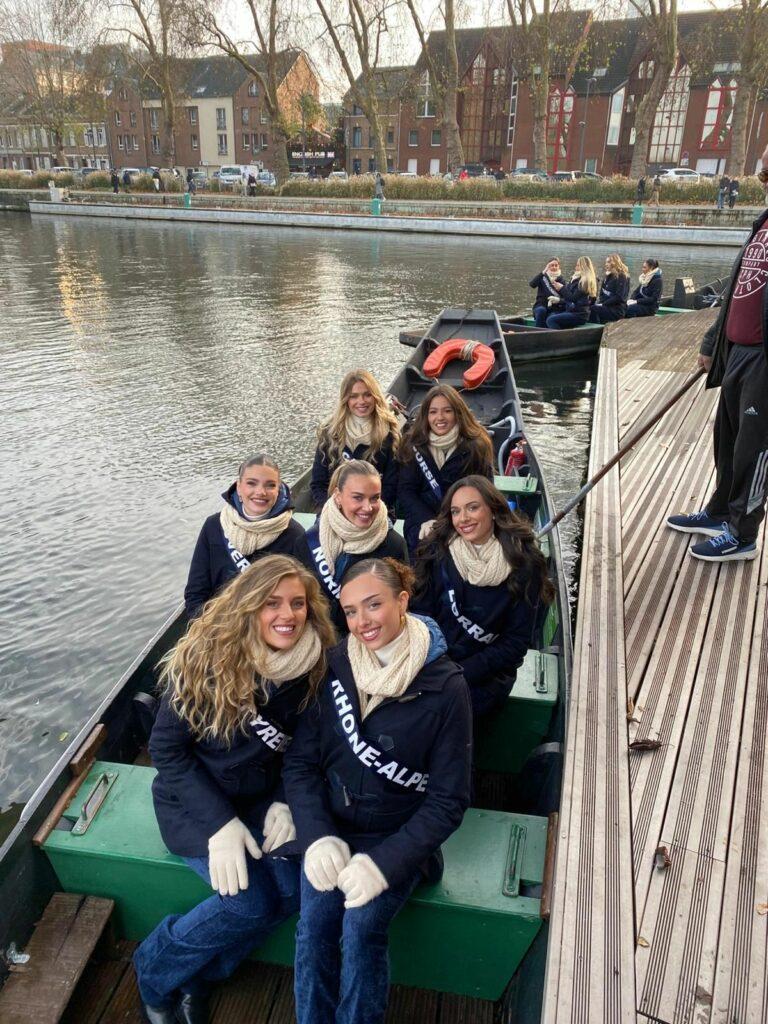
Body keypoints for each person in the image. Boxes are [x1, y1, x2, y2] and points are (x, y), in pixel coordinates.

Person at [133, 555, 337, 1024]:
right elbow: (168, 751)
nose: (287, 615)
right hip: (195, 803)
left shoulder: (316, 666)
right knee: (248, 904)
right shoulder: (206, 658)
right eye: (272, 603)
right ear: (248, 607)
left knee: (291, 892)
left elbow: (305, 752)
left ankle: (200, 975)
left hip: (261, 802)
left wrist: (285, 801)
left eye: (297, 603)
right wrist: (219, 825)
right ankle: (155, 970)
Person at [283, 557, 472, 1024]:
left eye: (374, 605)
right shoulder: (333, 664)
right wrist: (317, 835)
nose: (362, 622)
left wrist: (385, 864)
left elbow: (448, 802)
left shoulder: (447, 688)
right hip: (332, 827)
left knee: (363, 925)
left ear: (403, 601)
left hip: (396, 837)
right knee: (314, 926)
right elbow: (301, 763)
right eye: (350, 611)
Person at [666, 143, 768, 562]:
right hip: (738, 352)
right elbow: (738, 291)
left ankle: (743, 534)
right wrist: (713, 343)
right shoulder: (763, 223)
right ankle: (721, 511)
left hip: (764, 360)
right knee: (727, 440)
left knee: (755, 449)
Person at [411, 476, 554, 718]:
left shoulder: (524, 565)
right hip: (434, 661)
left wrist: (460, 673)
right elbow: (421, 612)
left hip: (485, 676)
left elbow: (515, 643)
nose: (463, 518)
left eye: (473, 507)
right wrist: (434, 662)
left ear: (494, 511)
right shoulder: (439, 552)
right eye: (455, 512)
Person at [184, 455, 309, 619]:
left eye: (270, 485)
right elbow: (196, 593)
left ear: (278, 490)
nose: (261, 492)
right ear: (239, 487)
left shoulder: (294, 535)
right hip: (219, 624)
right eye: (251, 483)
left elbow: (301, 599)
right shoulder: (214, 526)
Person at [305, 460, 407, 630]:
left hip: (369, 638)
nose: (367, 508)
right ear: (338, 496)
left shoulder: (393, 545)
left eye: (374, 498)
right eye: (357, 497)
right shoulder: (309, 541)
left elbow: (402, 608)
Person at [397, 384, 494, 556]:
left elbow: (486, 492)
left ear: (457, 413)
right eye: (433, 412)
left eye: (447, 411)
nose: (439, 417)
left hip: (463, 522)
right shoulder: (413, 444)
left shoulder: (476, 447)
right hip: (422, 522)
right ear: (426, 415)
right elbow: (406, 490)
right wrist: (426, 520)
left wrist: (457, 523)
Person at [310, 369, 400, 511]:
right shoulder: (329, 432)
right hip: (334, 510)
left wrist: (365, 510)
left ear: (375, 397)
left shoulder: (389, 435)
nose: (361, 401)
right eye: (354, 396)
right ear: (345, 399)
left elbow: (391, 486)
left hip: (374, 511)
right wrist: (337, 511)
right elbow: (318, 484)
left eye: (367, 395)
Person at [544, 256, 597, 329]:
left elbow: (573, 298)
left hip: (579, 314)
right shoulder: (575, 278)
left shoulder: (585, 282)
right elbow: (568, 296)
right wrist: (559, 300)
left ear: (583, 267)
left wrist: (561, 288)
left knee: (551, 320)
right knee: (550, 315)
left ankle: (559, 338)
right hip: (571, 310)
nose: (576, 267)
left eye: (578, 265)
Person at [590, 253, 631, 323]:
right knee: (590, 307)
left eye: (608, 262)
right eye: (606, 262)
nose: (606, 264)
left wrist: (604, 304)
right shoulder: (608, 276)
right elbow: (602, 294)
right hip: (606, 306)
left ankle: (598, 326)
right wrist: (601, 303)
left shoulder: (621, 277)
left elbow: (619, 297)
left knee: (593, 309)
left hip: (617, 309)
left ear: (614, 263)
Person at [529, 258, 566, 327]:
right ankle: (537, 333)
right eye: (552, 265)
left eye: (556, 265)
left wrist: (558, 300)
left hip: (555, 308)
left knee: (552, 318)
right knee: (541, 311)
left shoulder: (562, 280)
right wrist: (543, 272)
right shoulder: (542, 277)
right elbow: (532, 284)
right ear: (548, 266)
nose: (554, 267)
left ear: (559, 266)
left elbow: (566, 297)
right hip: (540, 305)